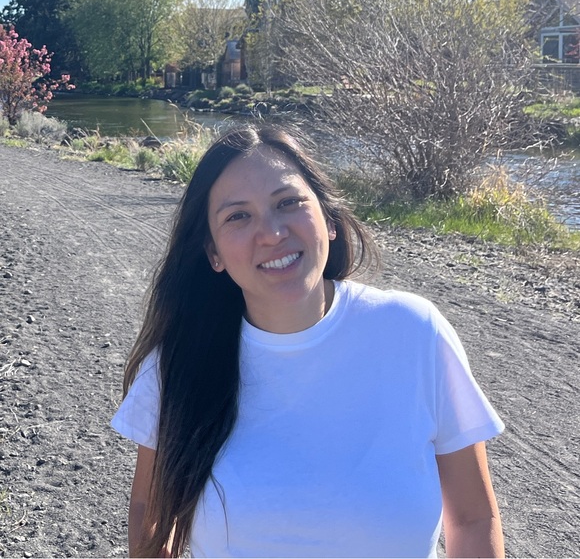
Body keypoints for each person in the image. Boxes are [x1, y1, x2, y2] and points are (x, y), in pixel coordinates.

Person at [111, 124, 505, 558]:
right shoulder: (181, 361)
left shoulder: (413, 332)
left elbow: (473, 518)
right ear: (213, 253)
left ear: (329, 220)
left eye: (288, 203)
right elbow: (151, 511)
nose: (272, 233)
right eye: (238, 216)